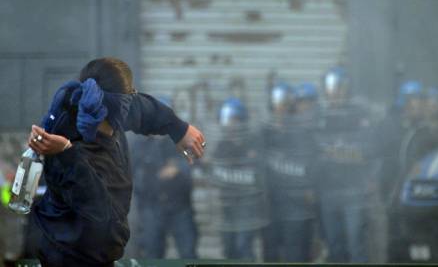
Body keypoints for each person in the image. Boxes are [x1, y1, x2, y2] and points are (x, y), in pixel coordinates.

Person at [27, 58, 205, 267]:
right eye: (130, 95)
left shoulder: (106, 114)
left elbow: (141, 108)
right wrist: (67, 154)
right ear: (119, 103)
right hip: (70, 260)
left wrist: (178, 128)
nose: (133, 100)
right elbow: (101, 219)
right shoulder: (73, 150)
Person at [313, 67, 374, 263]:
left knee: (355, 244)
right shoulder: (319, 117)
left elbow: (367, 151)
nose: (336, 93)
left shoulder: (358, 115)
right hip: (327, 192)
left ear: (347, 89)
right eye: (332, 88)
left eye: (340, 88)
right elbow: (314, 153)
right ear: (326, 91)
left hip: (353, 191)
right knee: (334, 245)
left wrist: (337, 153)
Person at [129, 96, 198, 259]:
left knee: (188, 253)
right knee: (153, 254)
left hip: (180, 207)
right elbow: (129, 173)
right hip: (151, 208)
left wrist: (179, 167)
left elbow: (194, 158)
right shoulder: (139, 144)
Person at [262, 82, 317, 262]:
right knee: (271, 251)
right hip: (271, 204)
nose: (281, 109)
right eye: (277, 104)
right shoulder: (264, 132)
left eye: (285, 105)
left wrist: (310, 188)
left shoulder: (302, 133)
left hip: (297, 204)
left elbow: (312, 164)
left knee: (296, 253)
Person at [210, 98, 268, 261]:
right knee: (229, 249)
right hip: (227, 205)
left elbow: (259, 174)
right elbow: (213, 171)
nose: (230, 125)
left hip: (248, 205)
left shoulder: (253, 144)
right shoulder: (222, 146)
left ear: (242, 121)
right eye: (227, 121)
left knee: (244, 247)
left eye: (234, 120)